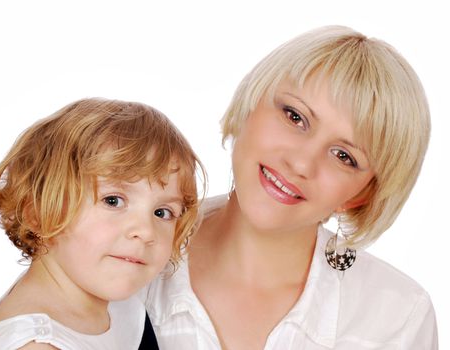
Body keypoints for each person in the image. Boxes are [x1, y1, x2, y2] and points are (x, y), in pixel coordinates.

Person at [145, 25, 438, 349]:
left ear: (362, 194)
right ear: (251, 106)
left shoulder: (397, 319)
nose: (301, 163)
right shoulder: (119, 253)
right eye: (295, 117)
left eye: (344, 156)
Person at [0, 98, 204, 349]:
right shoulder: (37, 344)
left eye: (162, 212)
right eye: (113, 201)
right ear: (38, 211)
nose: (145, 231)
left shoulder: (101, 289)